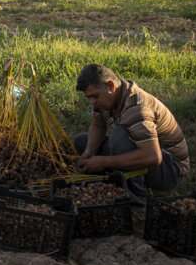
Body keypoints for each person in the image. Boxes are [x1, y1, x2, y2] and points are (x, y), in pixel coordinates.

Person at [74, 64, 189, 201]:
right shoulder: (105, 100)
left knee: (119, 136)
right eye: (89, 98)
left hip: (171, 170)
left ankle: (137, 201)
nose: (92, 102)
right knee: (82, 142)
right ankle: (113, 185)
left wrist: (104, 162)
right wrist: (89, 154)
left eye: (95, 96)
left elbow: (153, 156)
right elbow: (98, 125)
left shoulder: (136, 107)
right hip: (144, 152)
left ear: (110, 86)